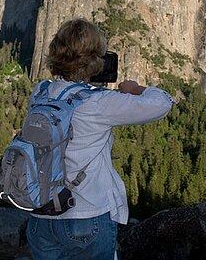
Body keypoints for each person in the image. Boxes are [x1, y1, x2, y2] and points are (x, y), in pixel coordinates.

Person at [26, 18, 175, 259]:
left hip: (40, 217)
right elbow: (162, 103)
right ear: (95, 60)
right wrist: (135, 90)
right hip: (85, 217)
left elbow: (70, 93)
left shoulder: (41, 92)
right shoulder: (98, 103)